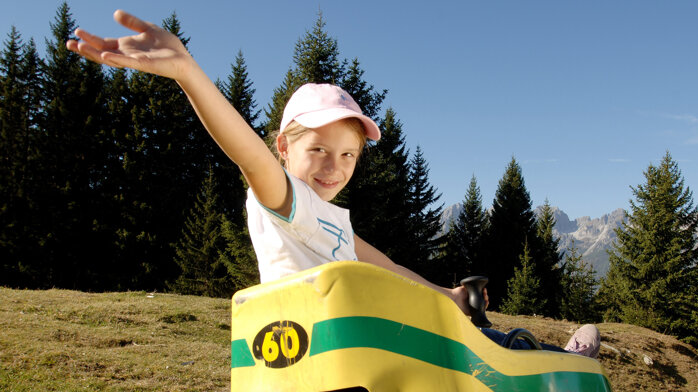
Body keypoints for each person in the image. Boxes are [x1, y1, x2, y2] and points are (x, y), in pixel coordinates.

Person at [66, 10, 599, 358]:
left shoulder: (328, 221)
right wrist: (189, 73)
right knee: (488, 350)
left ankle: (540, 355)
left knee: (473, 336)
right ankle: (557, 363)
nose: (333, 167)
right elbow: (247, 152)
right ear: (283, 148)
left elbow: (387, 268)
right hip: (321, 352)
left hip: (346, 349)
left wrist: (450, 296)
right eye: (317, 150)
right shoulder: (285, 200)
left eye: (348, 155)